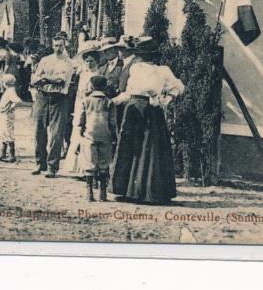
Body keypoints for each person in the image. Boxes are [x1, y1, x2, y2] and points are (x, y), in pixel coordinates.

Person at [110, 36, 185, 205]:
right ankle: (133, 191)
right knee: (142, 147)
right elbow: (131, 91)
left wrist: (164, 99)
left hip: (147, 109)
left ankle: (141, 192)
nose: (139, 57)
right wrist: (116, 100)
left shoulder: (157, 70)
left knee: (145, 148)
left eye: (141, 54)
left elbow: (177, 87)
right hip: (137, 108)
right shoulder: (143, 69)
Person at [63, 38, 117, 175]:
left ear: (97, 61)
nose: (88, 63)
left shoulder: (98, 74)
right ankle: (78, 168)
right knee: (78, 131)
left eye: (91, 61)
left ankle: (90, 168)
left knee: (89, 134)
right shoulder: (83, 74)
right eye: (86, 61)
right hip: (80, 104)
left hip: (94, 107)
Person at [29, 32, 74, 178]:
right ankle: (39, 163)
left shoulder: (69, 62)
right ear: (52, 45)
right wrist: (45, 79)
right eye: (55, 45)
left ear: (65, 45)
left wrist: (45, 78)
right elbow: (34, 79)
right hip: (42, 97)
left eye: (60, 45)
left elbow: (61, 80)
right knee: (38, 131)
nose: (58, 48)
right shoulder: (45, 60)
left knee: (56, 134)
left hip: (59, 98)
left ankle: (52, 166)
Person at [79, 75, 114, 202]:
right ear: (104, 87)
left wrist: (81, 129)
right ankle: (103, 192)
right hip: (105, 135)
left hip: (90, 134)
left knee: (90, 161)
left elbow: (81, 118)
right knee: (104, 162)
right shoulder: (109, 102)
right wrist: (113, 134)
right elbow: (112, 121)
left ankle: (89, 192)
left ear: (92, 86)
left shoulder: (86, 100)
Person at [0, 73, 21, 163]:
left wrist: (11, 107)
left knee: (8, 133)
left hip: (7, 116)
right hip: (4, 115)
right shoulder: (9, 90)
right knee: (3, 133)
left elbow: (17, 101)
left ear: (5, 83)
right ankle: (2, 154)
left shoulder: (10, 91)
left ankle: (12, 155)